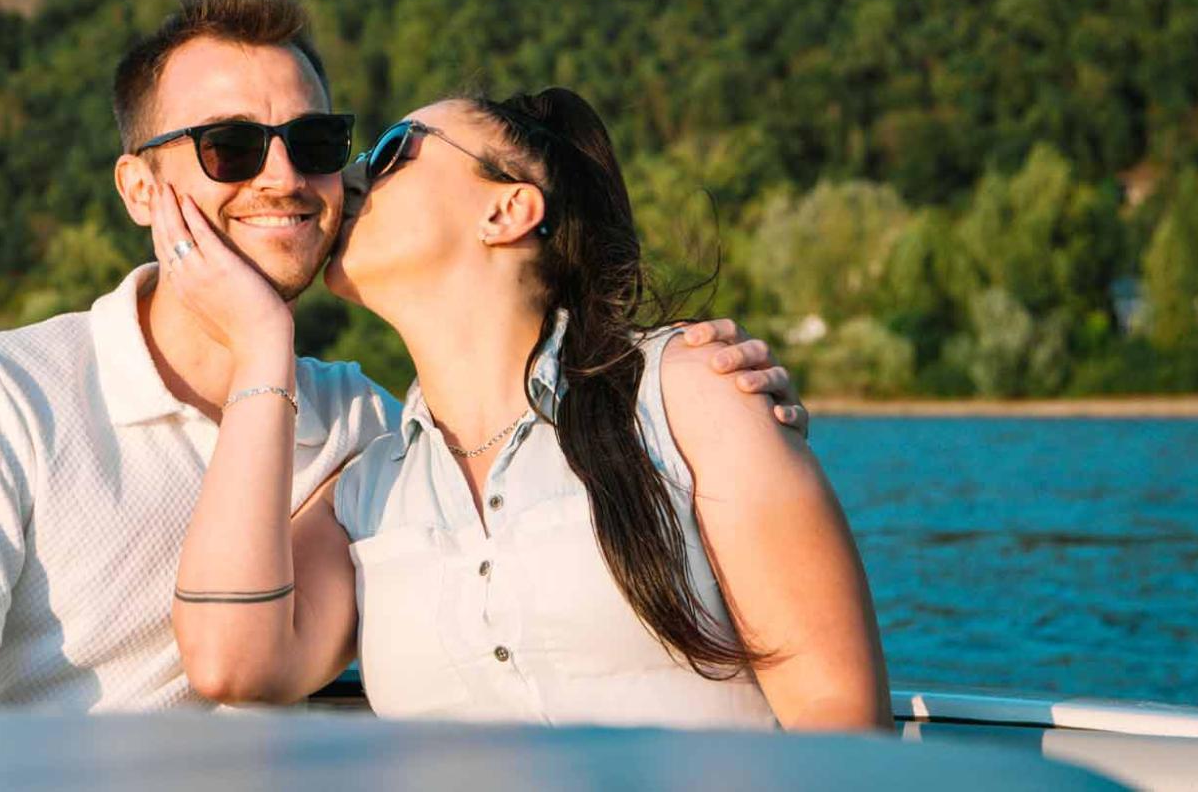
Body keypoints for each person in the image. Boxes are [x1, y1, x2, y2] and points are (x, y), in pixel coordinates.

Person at [0, 0, 806, 710]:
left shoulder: (368, 431)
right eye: (230, 146)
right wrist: (264, 346)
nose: (286, 176)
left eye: (316, 142)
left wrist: (706, 393)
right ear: (141, 190)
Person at [167, 86, 889, 729]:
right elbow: (233, 663)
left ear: (507, 209)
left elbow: (838, 722)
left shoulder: (687, 397)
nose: (345, 177)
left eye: (390, 153)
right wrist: (264, 345)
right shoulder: (367, 489)